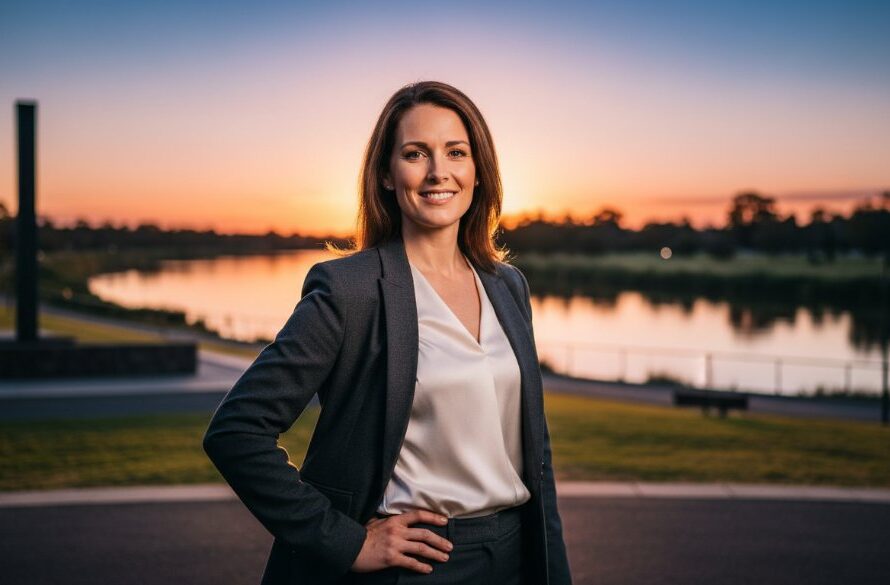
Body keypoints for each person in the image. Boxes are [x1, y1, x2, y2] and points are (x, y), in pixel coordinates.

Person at [203, 80, 572, 585]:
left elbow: (538, 455)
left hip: (515, 555)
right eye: (416, 153)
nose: (438, 172)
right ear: (385, 174)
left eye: (456, 152)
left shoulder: (507, 286)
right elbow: (236, 431)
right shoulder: (349, 291)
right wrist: (347, 542)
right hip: (415, 565)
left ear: (478, 170)